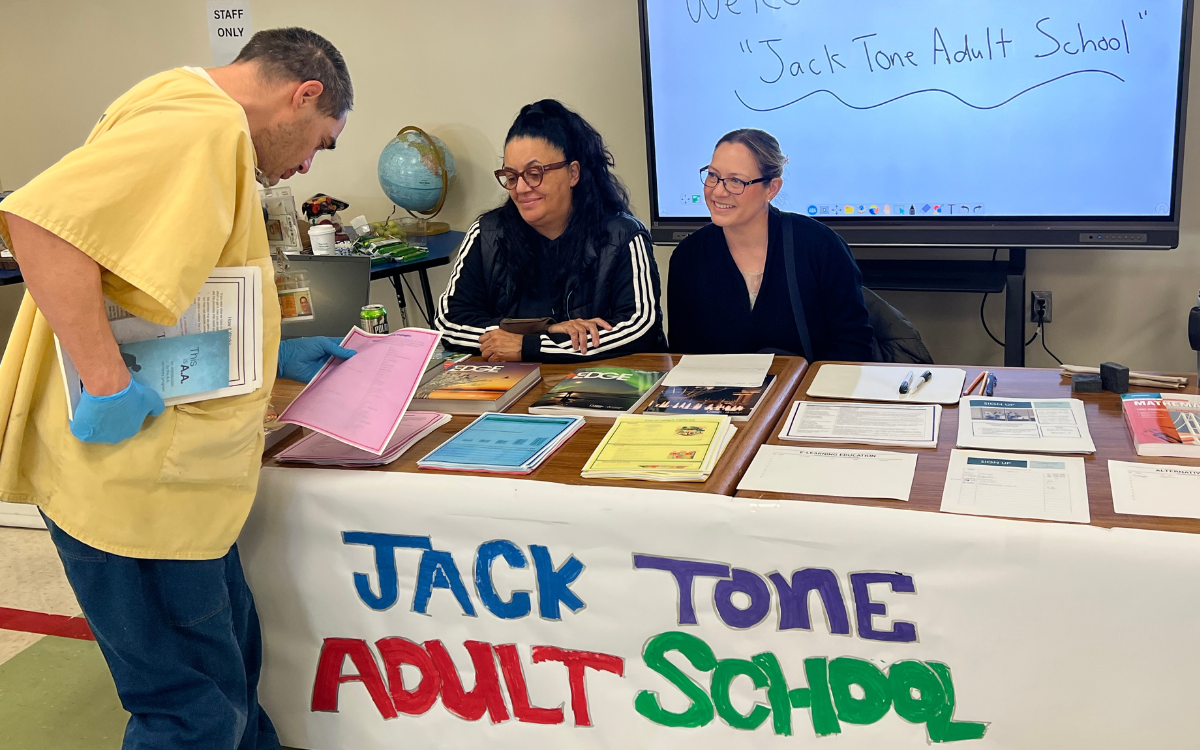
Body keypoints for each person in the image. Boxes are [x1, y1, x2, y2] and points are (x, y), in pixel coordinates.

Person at [0, 28, 356, 750]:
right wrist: (104, 381)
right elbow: (38, 221)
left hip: (173, 483)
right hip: (138, 485)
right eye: (320, 142)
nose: (305, 166)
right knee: (190, 709)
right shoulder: (200, 126)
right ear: (304, 95)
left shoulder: (182, 105)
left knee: (229, 680)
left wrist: (271, 351)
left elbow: (150, 287)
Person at [434, 99, 665, 362]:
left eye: (534, 173)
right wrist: (544, 329)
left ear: (573, 173)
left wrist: (530, 346)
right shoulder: (486, 233)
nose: (520, 189)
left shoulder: (623, 235)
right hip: (507, 389)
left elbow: (639, 328)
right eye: (511, 176)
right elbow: (448, 324)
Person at [667, 129, 873, 361]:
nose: (717, 191)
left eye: (736, 181)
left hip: (805, 389)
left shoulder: (820, 246)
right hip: (720, 394)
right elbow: (682, 355)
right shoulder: (688, 257)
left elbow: (854, 347)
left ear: (772, 189)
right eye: (713, 175)